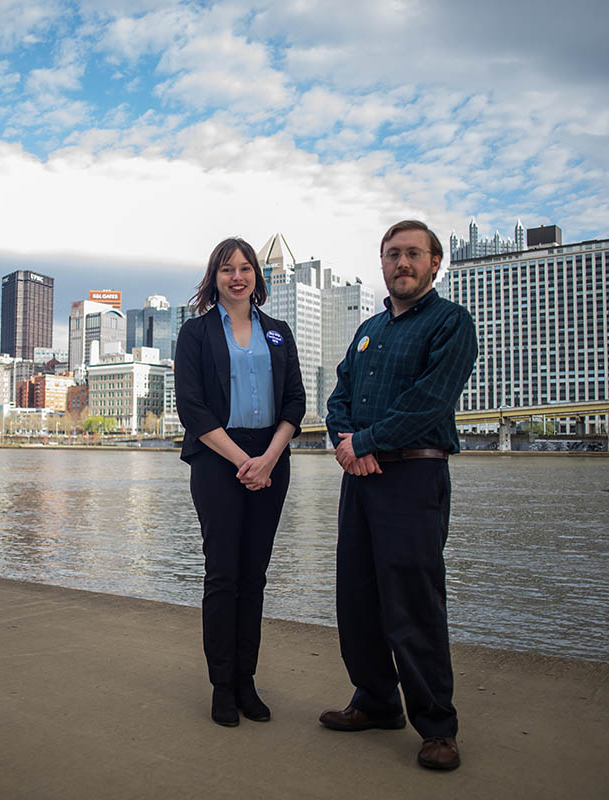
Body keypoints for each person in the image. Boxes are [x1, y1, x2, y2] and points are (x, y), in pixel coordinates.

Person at [319, 220, 478, 770]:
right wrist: (347, 442)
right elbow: (338, 395)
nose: (402, 263)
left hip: (413, 478)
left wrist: (364, 441)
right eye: (392, 254)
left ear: (436, 263)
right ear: (381, 264)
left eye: (413, 254)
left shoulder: (451, 323)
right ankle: (376, 701)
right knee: (357, 599)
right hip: (359, 477)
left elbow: (429, 402)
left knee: (413, 602)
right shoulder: (367, 329)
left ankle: (437, 726)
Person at [175, 237, 306, 727]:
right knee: (223, 575)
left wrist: (268, 457)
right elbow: (192, 408)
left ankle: (247, 682)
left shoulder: (278, 332)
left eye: (245, 267)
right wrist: (241, 461)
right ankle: (222, 686)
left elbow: (294, 401)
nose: (237, 276)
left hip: (271, 458)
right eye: (227, 268)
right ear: (215, 278)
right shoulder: (196, 333)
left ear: (257, 277)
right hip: (217, 458)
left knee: (254, 577)